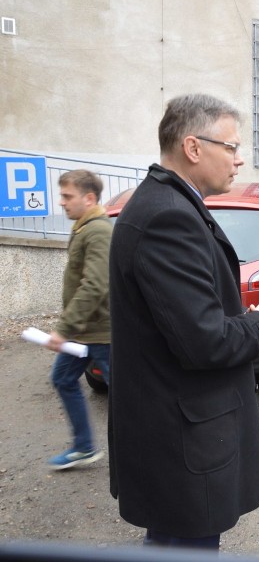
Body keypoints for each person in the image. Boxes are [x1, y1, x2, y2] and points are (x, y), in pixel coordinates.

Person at [109, 93, 259, 550]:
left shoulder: (169, 204)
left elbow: (186, 321)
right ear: (193, 147)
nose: (239, 159)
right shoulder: (168, 216)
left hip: (176, 434)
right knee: (185, 547)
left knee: (170, 544)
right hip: (184, 441)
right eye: (231, 147)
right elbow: (205, 342)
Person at [45, 170, 112, 470]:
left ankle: (156, 451)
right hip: (84, 333)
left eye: (67, 196)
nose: (62, 203)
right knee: (62, 379)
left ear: (89, 198)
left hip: (102, 334)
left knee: (127, 399)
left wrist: (64, 328)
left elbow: (96, 285)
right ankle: (84, 447)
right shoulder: (85, 228)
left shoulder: (98, 231)